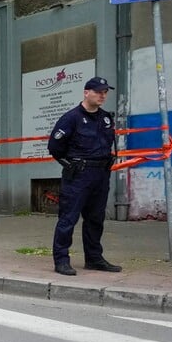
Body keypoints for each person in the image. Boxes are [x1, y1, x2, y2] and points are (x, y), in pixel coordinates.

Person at [47, 76, 121, 276]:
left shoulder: (106, 118)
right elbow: (54, 147)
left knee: (96, 219)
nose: (102, 95)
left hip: (101, 174)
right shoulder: (71, 118)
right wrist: (69, 165)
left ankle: (94, 258)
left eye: (105, 92)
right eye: (98, 91)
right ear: (86, 92)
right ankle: (61, 260)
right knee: (68, 219)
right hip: (78, 175)